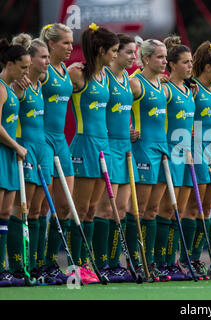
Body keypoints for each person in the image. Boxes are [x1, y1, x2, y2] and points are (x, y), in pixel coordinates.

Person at [67, 23, 119, 284]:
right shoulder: (77, 74)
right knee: (80, 208)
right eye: (113, 51)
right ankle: (73, 266)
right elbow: (48, 84)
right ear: (101, 50)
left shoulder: (107, 75)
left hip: (104, 146)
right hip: (84, 145)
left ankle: (86, 264)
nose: (115, 55)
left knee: (93, 211)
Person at [10, 34, 58, 285]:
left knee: (40, 210)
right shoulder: (20, 86)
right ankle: (19, 264)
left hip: (44, 149)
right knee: (23, 210)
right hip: (26, 148)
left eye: (49, 57)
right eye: (44, 57)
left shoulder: (41, 85)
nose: (48, 61)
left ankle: (38, 263)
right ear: (32, 60)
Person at [180, 40, 211, 280]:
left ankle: (197, 259)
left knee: (206, 208)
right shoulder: (193, 88)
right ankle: (184, 260)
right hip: (195, 152)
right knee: (193, 206)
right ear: (207, 67)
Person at [92, 33, 137, 282]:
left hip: (125, 146)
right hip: (106, 146)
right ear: (116, 52)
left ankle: (113, 262)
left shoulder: (127, 78)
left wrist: (129, 128)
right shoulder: (104, 76)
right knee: (105, 208)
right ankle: (99, 262)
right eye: (129, 52)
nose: (133, 57)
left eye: (134, 53)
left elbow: (123, 111)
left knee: (121, 208)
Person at [153, 35, 195, 280]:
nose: (190, 66)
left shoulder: (189, 90)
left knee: (174, 210)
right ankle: (158, 260)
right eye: (186, 62)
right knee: (162, 209)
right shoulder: (165, 88)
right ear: (172, 65)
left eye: (191, 62)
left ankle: (170, 261)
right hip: (167, 153)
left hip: (184, 154)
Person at [129, 37, 170, 281]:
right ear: (146, 59)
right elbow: (115, 108)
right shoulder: (135, 84)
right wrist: (128, 129)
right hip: (142, 149)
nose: (165, 61)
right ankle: (135, 260)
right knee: (140, 208)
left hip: (162, 149)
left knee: (153, 210)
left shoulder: (164, 87)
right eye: (160, 57)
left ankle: (150, 262)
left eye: (165, 57)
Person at [38, 22, 75, 283]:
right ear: (51, 44)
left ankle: (52, 262)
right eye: (65, 42)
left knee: (64, 207)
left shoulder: (66, 70)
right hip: (42, 141)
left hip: (61, 141)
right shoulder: (41, 70)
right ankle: (37, 263)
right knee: (40, 207)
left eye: (72, 42)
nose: (71, 47)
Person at [0, 39, 30, 287]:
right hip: (3, 153)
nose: (25, 73)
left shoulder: (10, 89)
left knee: (4, 214)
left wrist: (19, 95)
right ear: (9, 64)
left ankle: (4, 268)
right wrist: (17, 146)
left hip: (9, 155)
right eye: (22, 67)